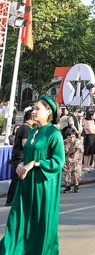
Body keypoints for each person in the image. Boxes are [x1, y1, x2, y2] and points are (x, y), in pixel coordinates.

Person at [0, 95, 64, 255]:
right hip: (26, 182)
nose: (33, 111)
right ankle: (11, 249)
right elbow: (27, 153)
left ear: (49, 111)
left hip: (42, 184)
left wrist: (35, 163)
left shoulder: (54, 134)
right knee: (17, 218)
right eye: (33, 108)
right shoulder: (34, 131)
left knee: (39, 220)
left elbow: (58, 161)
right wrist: (21, 164)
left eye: (37, 109)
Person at [5, 109, 36, 206]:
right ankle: (11, 199)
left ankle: (13, 198)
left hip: (18, 155)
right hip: (21, 156)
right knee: (17, 178)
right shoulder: (27, 128)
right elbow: (25, 143)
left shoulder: (23, 127)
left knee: (17, 178)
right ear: (31, 117)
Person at [62, 127, 84, 193]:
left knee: (76, 172)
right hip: (67, 160)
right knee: (67, 172)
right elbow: (62, 152)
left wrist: (80, 148)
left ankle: (76, 186)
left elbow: (82, 150)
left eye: (73, 136)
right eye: (70, 137)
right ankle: (67, 186)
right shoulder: (64, 142)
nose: (71, 139)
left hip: (76, 159)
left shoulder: (78, 142)